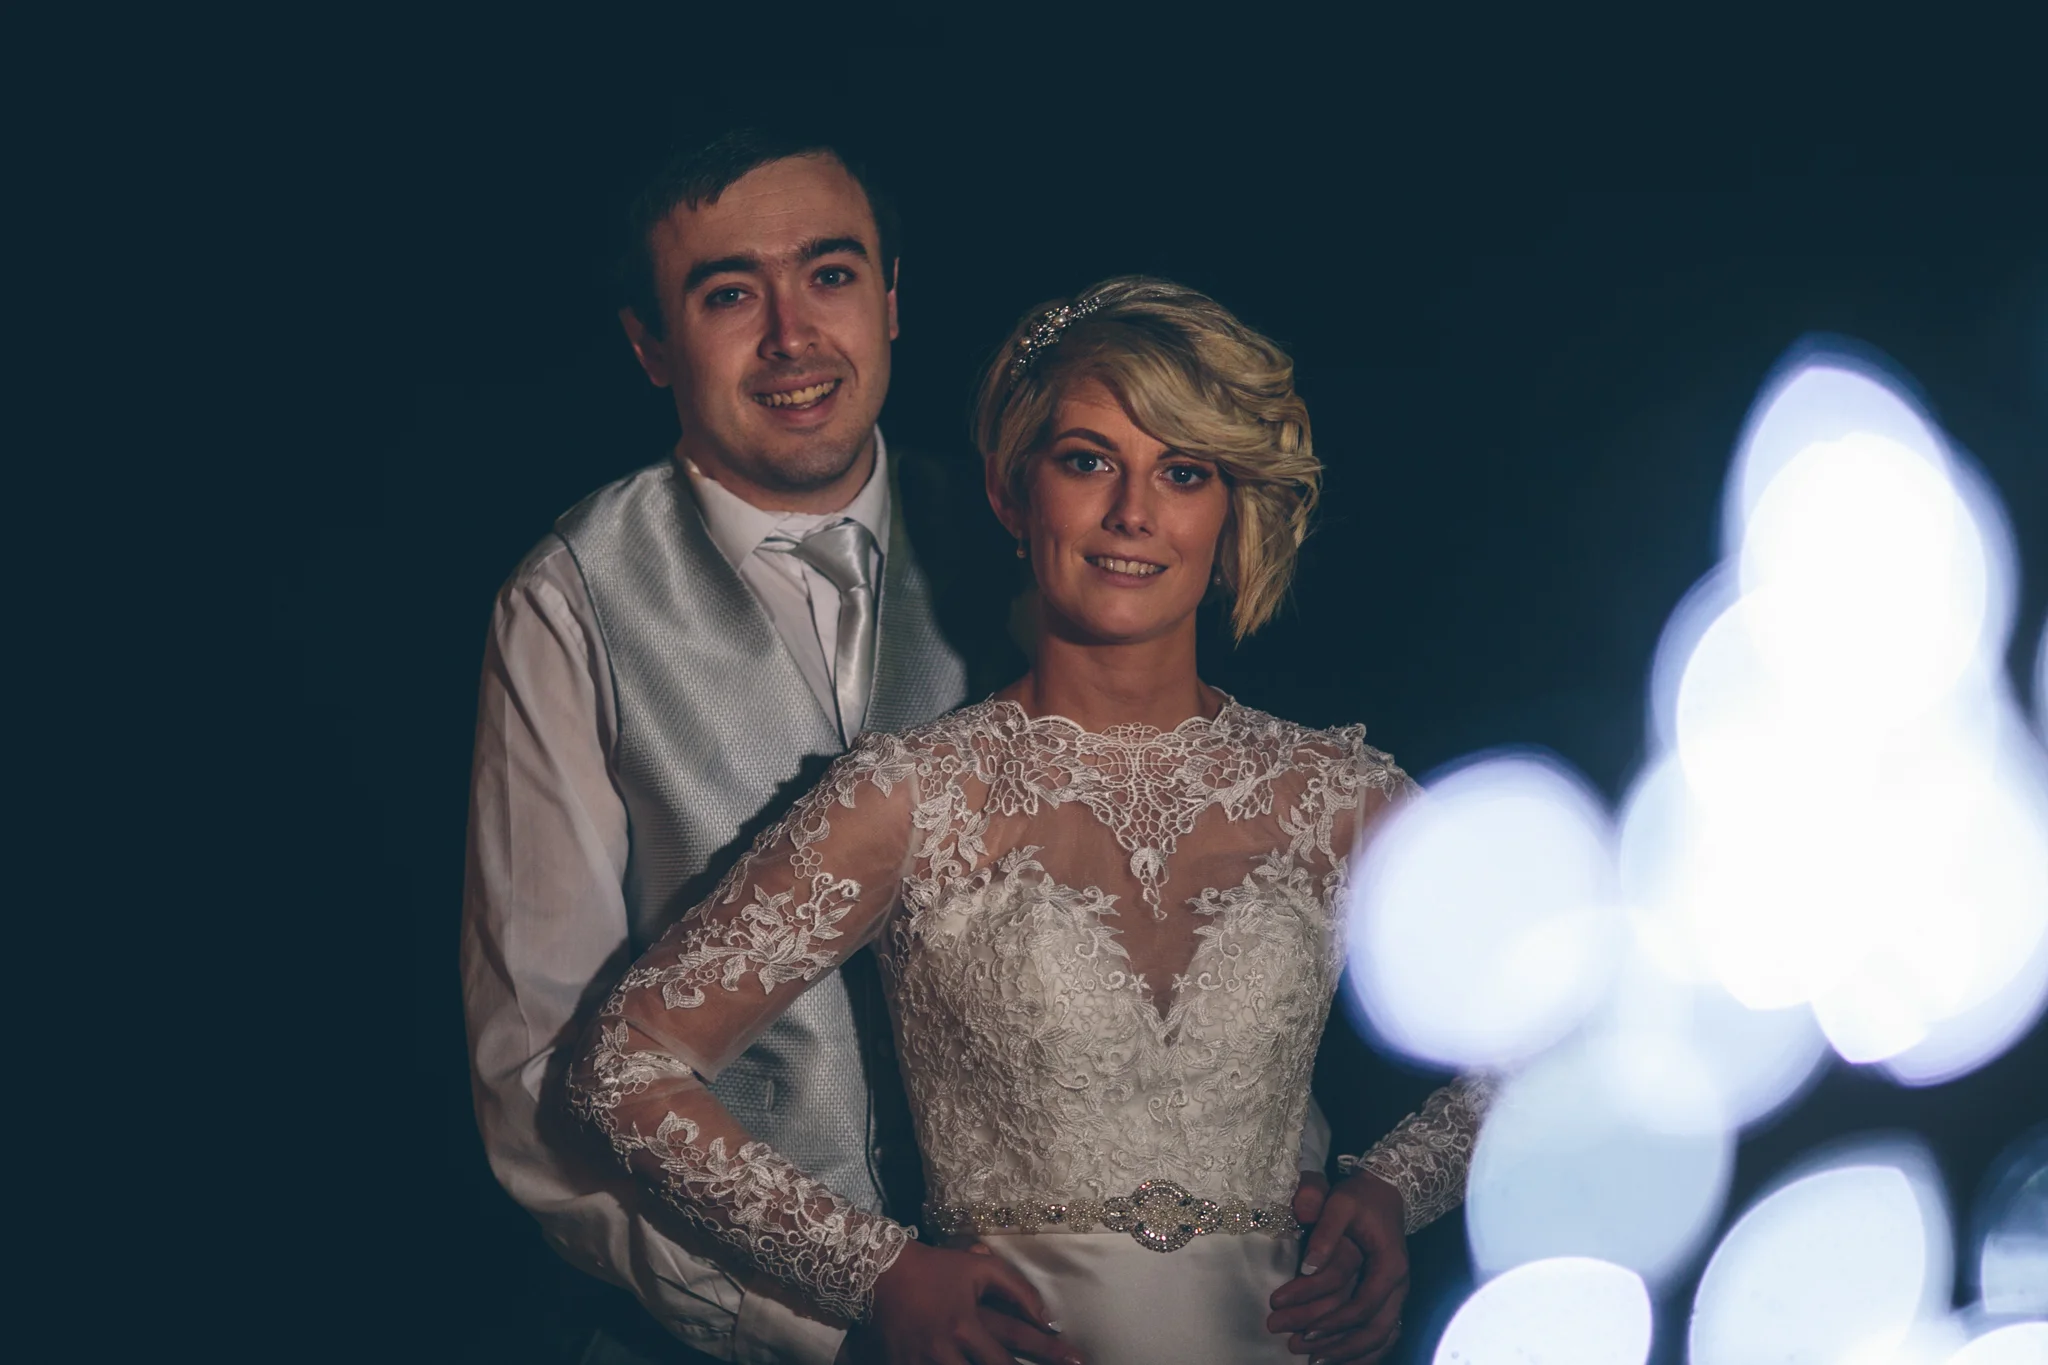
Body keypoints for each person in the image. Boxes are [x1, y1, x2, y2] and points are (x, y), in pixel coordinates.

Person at [462, 132, 1339, 1365]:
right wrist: (822, 1314)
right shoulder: (572, 600)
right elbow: (538, 1084)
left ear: (888, 298)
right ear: (650, 345)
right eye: (727, 295)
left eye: (827, 277)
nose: (790, 337)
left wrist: (1298, 1216)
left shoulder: (1055, 526)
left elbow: (1193, 913)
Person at [567, 276, 1492, 1365]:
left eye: (1182, 472)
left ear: (1229, 509)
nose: (1133, 514)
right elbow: (625, 1067)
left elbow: (1565, 1032)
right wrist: (882, 1275)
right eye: (1088, 460)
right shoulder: (912, 797)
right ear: (1013, 494)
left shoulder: (1340, 795)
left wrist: (1390, 1190)